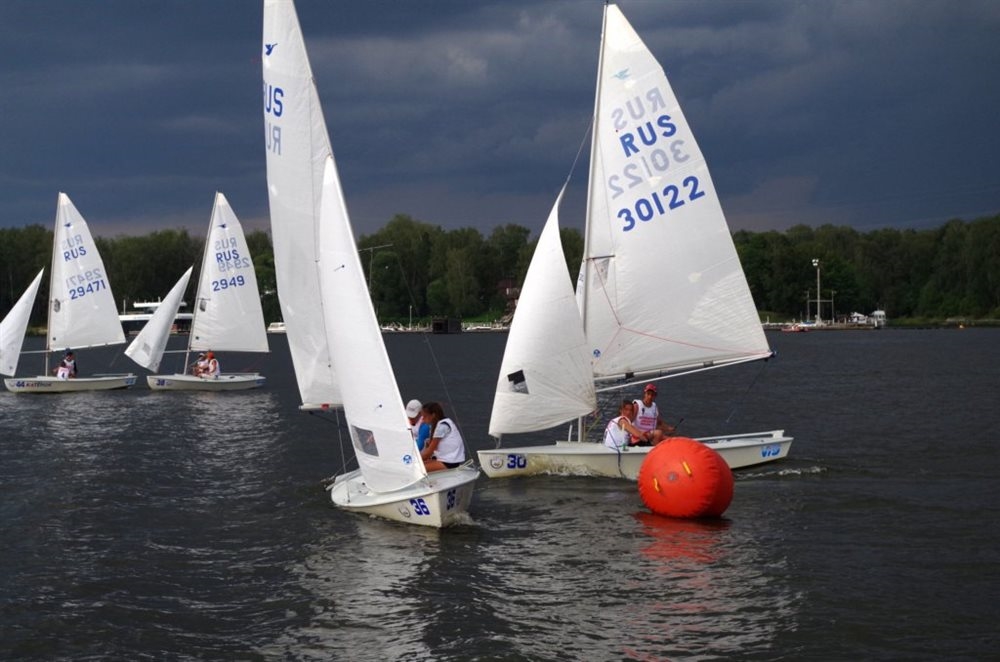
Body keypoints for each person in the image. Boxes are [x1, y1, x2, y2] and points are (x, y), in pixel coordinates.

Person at [419, 401, 466, 471]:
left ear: (433, 415)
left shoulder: (442, 427)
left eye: (424, 416)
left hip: (449, 462)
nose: (422, 420)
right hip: (445, 459)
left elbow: (428, 453)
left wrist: (414, 460)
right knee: (416, 465)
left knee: (417, 469)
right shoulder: (443, 422)